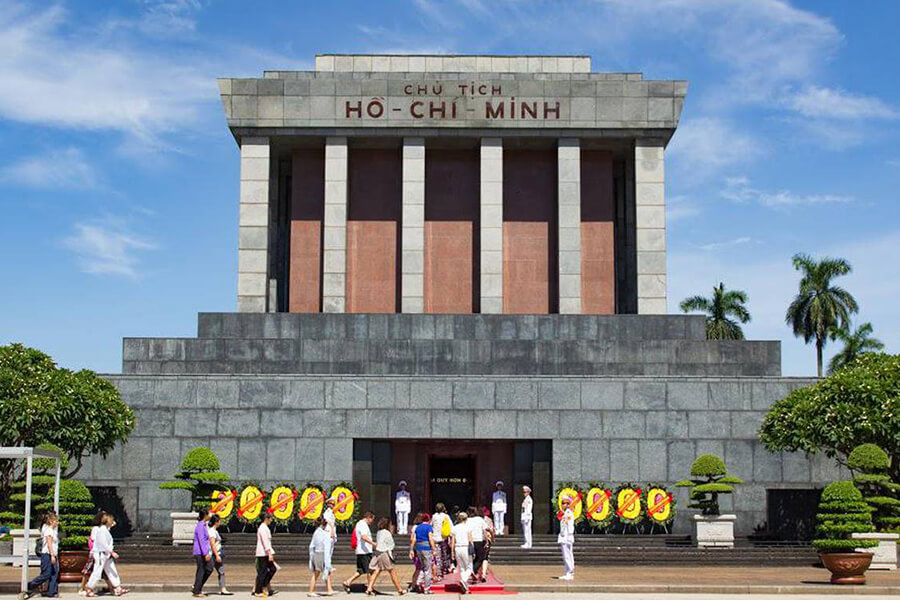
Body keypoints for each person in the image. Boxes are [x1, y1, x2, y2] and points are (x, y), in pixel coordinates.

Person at [86, 513, 127, 597]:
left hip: (106, 554)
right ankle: (89, 588)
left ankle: (117, 587)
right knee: (97, 571)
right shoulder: (102, 530)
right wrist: (111, 552)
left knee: (112, 570)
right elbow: (103, 543)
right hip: (101, 554)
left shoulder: (105, 529)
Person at [365, 518, 405, 596]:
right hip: (384, 553)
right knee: (391, 571)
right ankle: (399, 589)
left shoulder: (379, 532)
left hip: (377, 553)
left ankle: (369, 588)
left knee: (377, 570)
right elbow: (391, 544)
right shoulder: (387, 533)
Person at [28, 512, 59, 598]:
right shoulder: (48, 530)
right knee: (47, 574)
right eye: (56, 521)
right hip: (47, 555)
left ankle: (51, 592)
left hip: (52, 554)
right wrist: (52, 555)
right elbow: (49, 544)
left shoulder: (52, 531)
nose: (57, 523)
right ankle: (31, 584)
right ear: (51, 521)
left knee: (54, 573)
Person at [342, 511, 375, 592]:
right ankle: (370, 588)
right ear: (369, 517)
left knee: (360, 570)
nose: (372, 521)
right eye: (372, 519)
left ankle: (347, 582)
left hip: (362, 551)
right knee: (369, 570)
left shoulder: (360, 524)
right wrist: (373, 543)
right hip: (364, 551)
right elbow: (363, 537)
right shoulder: (362, 525)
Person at [408, 513, 435, 594]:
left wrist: (412, 549)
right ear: (429, 519)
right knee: (427, 568)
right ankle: (427, 588)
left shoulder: (418, 527)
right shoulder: (429, 527)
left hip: (418, 548)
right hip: (426, 547)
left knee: (422, 567)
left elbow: (414, 539)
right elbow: (430, 538)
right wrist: (433, 548)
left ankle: (418, 582)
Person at [308, 517, 334, 597]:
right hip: (322, 554)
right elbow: (331, 537)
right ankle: (311, 591)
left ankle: (330, 589)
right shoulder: (322, 532)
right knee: (318, 573)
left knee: (326, 572)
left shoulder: (317, 532)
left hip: (317, 553)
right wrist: (332, 527)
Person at [190, 509, 213, 598]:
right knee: (202, 570)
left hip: (203, 551)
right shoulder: (200, 526)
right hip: (200, 552)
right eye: (209, 513)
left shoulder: (204, 525)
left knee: (209, 569)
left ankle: (197, 587)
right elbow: (201, 540)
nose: (210, 514)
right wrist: (205, 553)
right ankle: (197, 590)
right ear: (205, 515)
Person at [207, 514, 232, 595]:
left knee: (221, 571)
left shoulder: (215, 531)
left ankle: (223, 589)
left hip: (217, 553)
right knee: (207, 571)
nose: (220, 522)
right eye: (219, 521)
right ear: (216, 522)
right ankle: (197, 586)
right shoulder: (212, 532)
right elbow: (212, 544)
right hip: (214, 554)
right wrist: (217, 555)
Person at [254, 513, 277, 598]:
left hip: (265, 552)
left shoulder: (264, 528)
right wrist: (269, 553)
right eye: (270, 518)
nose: (271, 520)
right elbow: (265, 542)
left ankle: (264, 585)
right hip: (263, 553)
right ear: (266, 519)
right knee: (263, 572)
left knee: (271, 569)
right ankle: (258, 590)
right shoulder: (262, 528)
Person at [450, 512, 472, 595]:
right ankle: (464, 580)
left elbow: (453, 541)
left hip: (457, 547)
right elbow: (470, 540)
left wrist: (452, 551)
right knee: (469, 567)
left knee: (462, 568)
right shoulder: (468, 527)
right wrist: (472, 550)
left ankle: (465, 587)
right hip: (465, 547)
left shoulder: (454, 528)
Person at [466, 507, 486, 585]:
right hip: (478, 540)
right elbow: (485, 529)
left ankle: (474, 573)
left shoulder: (467, 520)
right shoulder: (480, 519)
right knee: (481, 558)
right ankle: (473, 571)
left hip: (470, 541)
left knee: (473, 558)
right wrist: (487, 539)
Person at [557, 497, 575, 581]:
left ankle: (570, 572)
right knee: (566, 556)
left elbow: (570, 526)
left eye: (565, 503)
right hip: (564, 536)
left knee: (568, 556)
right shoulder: (565, 513)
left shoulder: (568, 513)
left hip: (567, 537)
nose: (563, 505)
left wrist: (569, 536)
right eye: (563, 503)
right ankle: (567, 572)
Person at [430, 504, 448, 579]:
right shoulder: (445, 516)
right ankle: (442, 571)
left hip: (435, 538)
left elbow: (431, 525)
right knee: (444, 555)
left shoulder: (434, 516)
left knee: (437, 556)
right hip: (443, 538)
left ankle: (438, 573)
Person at [480, 507, 494, 583]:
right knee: (485, 557)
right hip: (487, 540)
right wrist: (492, 538)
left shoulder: (477, 520)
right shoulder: (488, 520)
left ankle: (480, 571)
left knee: (479, 557)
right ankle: (484, 573)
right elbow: (491, 529)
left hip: (478, 539)